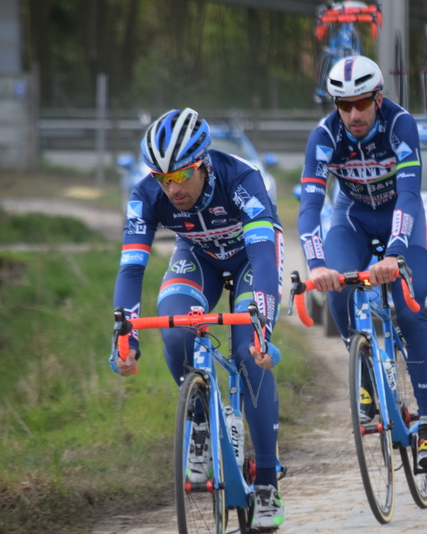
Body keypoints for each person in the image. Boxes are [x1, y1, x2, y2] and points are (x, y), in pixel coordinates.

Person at [110, 108, 285, 530]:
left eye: (181, 175)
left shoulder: (241, 179)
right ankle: (201, 424)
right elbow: (131, 269)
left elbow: (263, 255)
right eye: (162, 178)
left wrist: (260, 324)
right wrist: (123, 337)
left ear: (203, 163)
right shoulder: (145, 193)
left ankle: (266, 481)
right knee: (174, 331)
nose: (172, 188)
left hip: (250, 260)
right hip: (198, 258)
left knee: (247, 350)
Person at [297, 55, 427, 471]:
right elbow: (310, 206)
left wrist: (396, 253)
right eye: (343, 105)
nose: (353, 114)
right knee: (338, 287)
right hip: (353, 217)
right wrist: (316, 264)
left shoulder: (400, 124)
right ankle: (361, 367)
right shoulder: (324, 135)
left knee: (410, 312)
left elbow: (410, 195)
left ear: (378, 98)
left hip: (402, 219)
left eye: (361, 103)